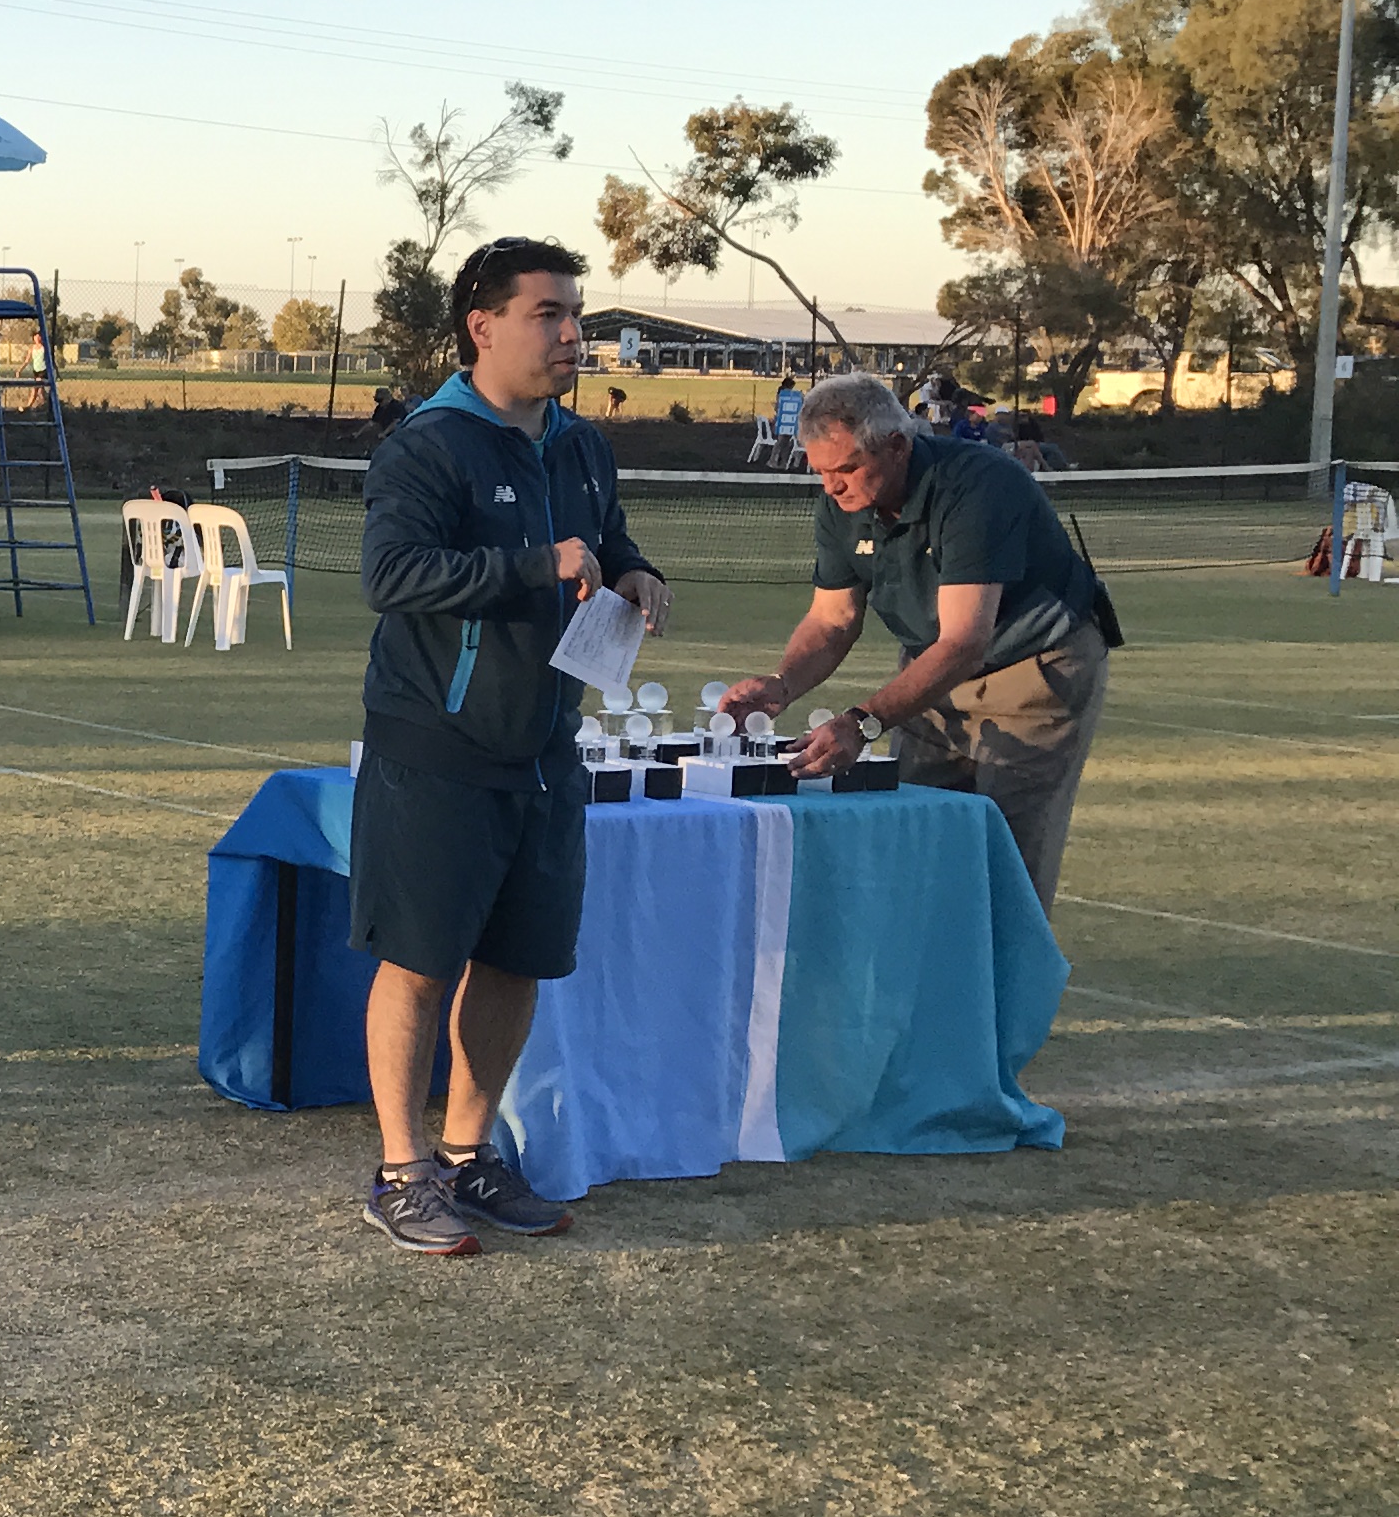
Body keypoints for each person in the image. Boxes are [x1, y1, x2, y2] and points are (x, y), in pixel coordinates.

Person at [349, 235, 667, 1257]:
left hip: (547, 749)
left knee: (518, 961)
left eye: (576, 313)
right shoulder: (427, 445)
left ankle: (470, 1155)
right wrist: (533, 564)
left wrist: (636, 574)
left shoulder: (580, 444)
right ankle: (403, 1174)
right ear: (481, 326)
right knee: (420, 960)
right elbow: (394, 574)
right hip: (436, 747)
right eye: (549, 313)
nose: (573, 332)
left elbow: (606, 542)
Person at [720, 367, 1115, 915]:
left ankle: (1004, 997)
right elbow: (833, 619)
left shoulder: (977, 487)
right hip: (931, 675)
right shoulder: (840, 504)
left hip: (1033, 672)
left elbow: (963, 641)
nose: (833, 486)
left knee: (1006, 869)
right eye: (821, 473)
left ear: (898, 445)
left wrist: (862, 721)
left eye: (847, 469)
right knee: (910, 847)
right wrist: (782, 684)